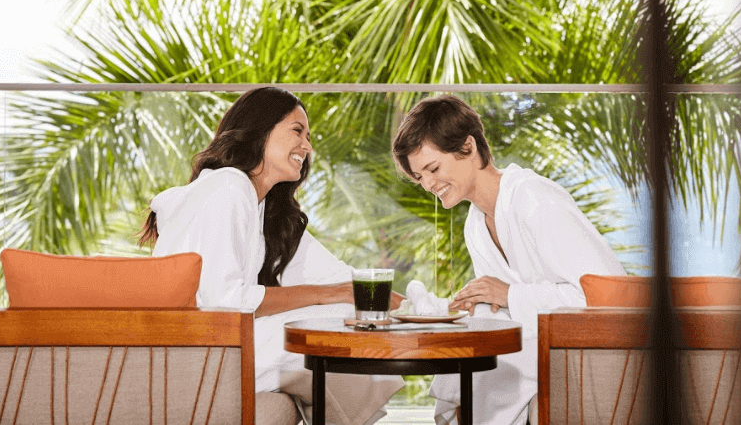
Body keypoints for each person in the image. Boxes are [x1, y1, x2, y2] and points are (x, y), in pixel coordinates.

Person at [140, 86, 403, 424]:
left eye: (308, 136)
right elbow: (225, 300)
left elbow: (339, 279)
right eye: (297, 131)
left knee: (342, 317)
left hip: (223, 345)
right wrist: (328, 296)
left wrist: (419, 311)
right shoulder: (228, 187)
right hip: (198, 353)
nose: (307, 147)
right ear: (260, 130)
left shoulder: (264, 208)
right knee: (333, 325)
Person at [391, 94, 626, 425]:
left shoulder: (535, 200)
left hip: (596, 353)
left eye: (433, 168)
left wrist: (508, 294)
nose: (428, 184)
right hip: (542, 347)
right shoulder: (476, 224)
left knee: (480, 370)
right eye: (419, 177)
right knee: (472, 364)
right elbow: (504, 313)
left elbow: (610, 298)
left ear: (468, 147)